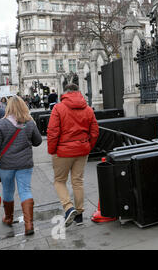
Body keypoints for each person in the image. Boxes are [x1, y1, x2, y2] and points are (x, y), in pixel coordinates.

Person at [0, 96, 42, 235]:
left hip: (6, 165)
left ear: (8, 107)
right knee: (25, 190)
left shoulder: (1, 124)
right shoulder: (29, 122)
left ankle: (9, 218)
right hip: (25, 164)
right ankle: (29, 225)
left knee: (8, 191)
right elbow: (38, 141)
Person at [47, 83, 99, 227]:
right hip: (82, 150)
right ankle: (79, 215)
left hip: (62, 151)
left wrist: (52, 150)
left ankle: (68, 207)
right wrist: (88, 146)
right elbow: (95, 131)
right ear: (78, 92)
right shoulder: (88, 109)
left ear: (65, 93)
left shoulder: (58, 108)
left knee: (59, 181)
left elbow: (52, 132)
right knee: (77, 181)